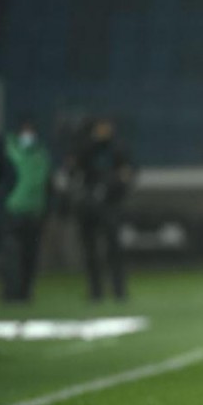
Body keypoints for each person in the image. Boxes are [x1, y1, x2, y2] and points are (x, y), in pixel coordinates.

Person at [64, 117, 136, 302]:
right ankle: (96, 291)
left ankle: (119, 290)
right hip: (89, 205)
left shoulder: (117, 148)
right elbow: (72, 170)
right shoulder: (86, 147)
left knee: (114, 249)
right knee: (90, 250)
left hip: (110, 205)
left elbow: (129, 173)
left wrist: (113, 188)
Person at [0, 116, 52, 303]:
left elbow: (47, 183)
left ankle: (25, 292)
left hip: (34, 211)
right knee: (11, 254)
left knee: (30, 255)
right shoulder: (8, 149)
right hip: (12, 210)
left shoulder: (41, 153)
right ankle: (11, 292)